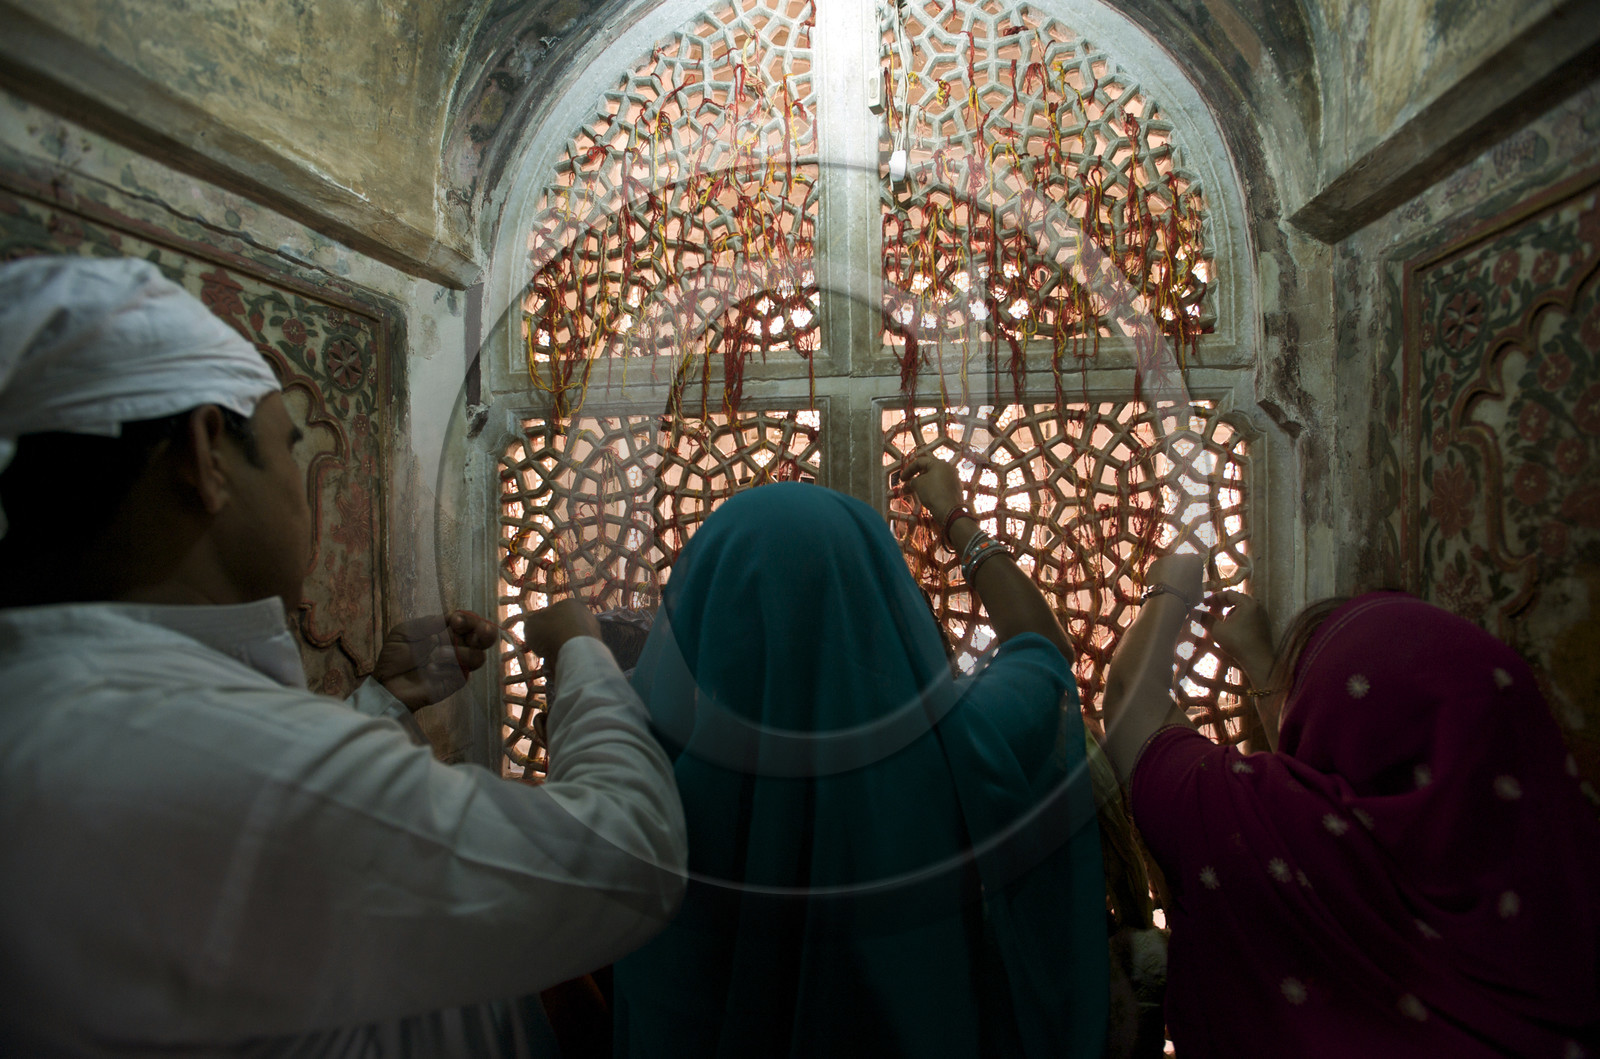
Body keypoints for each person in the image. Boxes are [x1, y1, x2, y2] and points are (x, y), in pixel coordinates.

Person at [0, 256, 688, 1055]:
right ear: (204, 453)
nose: (305, 484)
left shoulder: (62, 702)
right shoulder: (207, 755)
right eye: (289, 447)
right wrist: (580, 650)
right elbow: (627, 858)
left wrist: (383, 701)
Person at [611, 458, 1108, 1057]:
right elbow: (1043, 651)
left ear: (700, 611)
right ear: (883, 597)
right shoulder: (959, 748)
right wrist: (954, 519)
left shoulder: (646, 804)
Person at [1102, 552, 1600, 1056]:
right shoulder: (1563, 888)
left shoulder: (1275, 846)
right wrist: (1266, 668)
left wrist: (1166, 592)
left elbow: (1129, 701)